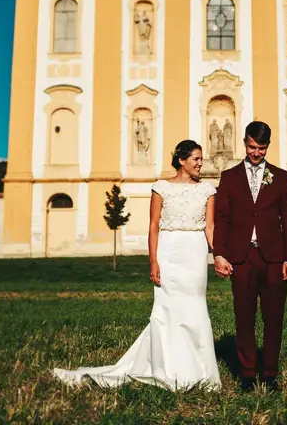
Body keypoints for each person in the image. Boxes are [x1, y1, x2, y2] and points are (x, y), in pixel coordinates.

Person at [52, 140, 221, 391]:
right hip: (169, 251)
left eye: (201, 159)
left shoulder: (207, 190)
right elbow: (153, 225)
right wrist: (153, 260)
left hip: (194, 253)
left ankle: (200, 370)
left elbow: (210, 227)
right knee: (167, 309)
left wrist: (219, 254)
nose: (200, 163)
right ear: (181, 160)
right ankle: (166, 366)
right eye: (196, 158)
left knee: (195, 308)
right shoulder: (161, 187)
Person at [213, 121, 287, 392]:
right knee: (244, 317)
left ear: (267, 146)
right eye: (252, 147)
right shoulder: (229, 177)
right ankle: (247, 374)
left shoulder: (280, 177)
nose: (256, 152)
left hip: (273, 258)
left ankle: (270, 373)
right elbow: (221, 219)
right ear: (244, 142)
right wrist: (219, 254)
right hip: (241, 258)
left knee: (274, 317)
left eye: (261, 148)